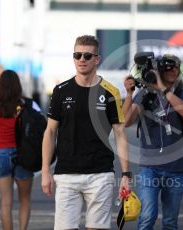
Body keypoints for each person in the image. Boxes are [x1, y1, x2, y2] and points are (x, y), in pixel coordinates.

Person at [41, 35, 130, 230]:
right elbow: (49, 132)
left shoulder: (110, 92)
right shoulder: (61, 91)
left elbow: (120, 134)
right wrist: (45, 171)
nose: (81, 59)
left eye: (87, 56)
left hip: (100, 174)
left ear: (97, 59)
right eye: (77, 55)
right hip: (66, 174)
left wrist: (126, 175)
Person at [123, 54, 183, 230]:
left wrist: (162, 87)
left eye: (176, 67)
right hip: (149, 167)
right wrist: (130, 95)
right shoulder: (145, 95)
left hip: (176, 168)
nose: (172, 70)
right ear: (159, 70)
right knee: (147, 217)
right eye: (168, 66)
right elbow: (126, 122)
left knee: (170, 222)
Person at [0, 70, 40, 230]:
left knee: (5, 203)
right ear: (18, 85)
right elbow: (40, 130)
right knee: (24, 199)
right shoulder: (29, 105)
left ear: (0, 86)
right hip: (24, 155)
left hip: (1, 155)